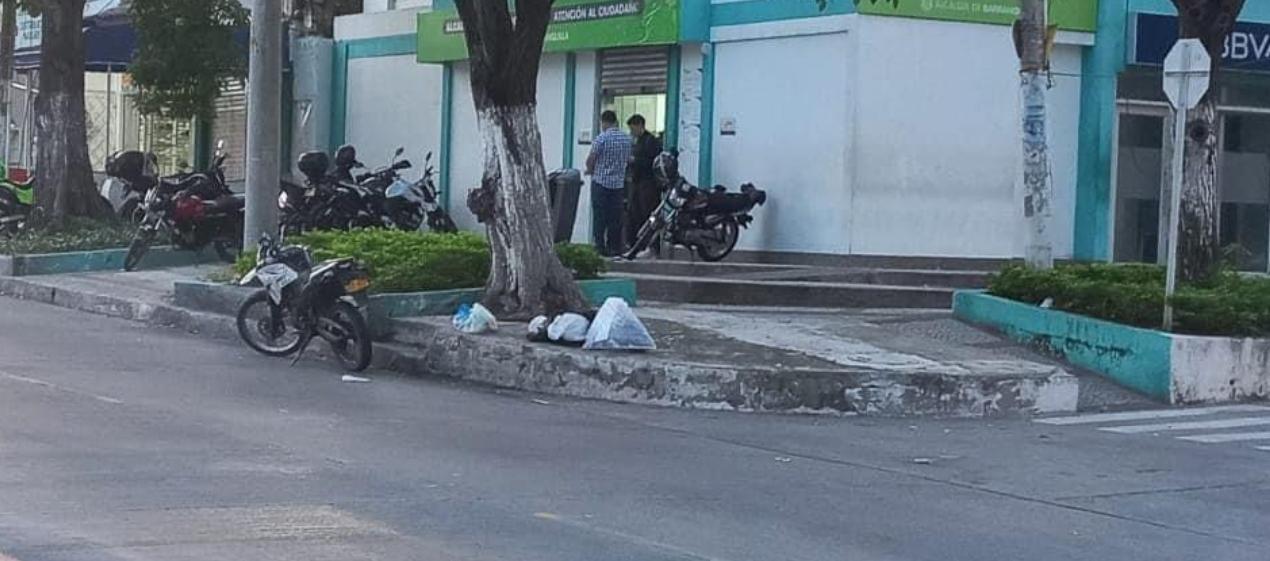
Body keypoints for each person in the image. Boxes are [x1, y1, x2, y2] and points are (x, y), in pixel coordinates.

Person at [586, 110, 632, 256]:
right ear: (615, 121)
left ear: (604, 122)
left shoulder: (602, 138)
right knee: (615, 218)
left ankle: (599, 247)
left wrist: (590, 169)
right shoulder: (626, 139)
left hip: (600, 183)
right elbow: (628, 160)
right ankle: (614, 247)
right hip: (618, 185)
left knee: (599, 217)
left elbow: (591, 159)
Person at [624, 114, 663, 255]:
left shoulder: (650, 142)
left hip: (648, 185)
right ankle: (636, 245)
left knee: (648, 215)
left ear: (639, 125)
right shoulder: (639, 141)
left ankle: (651, 246)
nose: (631, 132)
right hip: (637, 184)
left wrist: (635, 160)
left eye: (632, 128)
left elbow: (652, 163)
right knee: (635, 216)